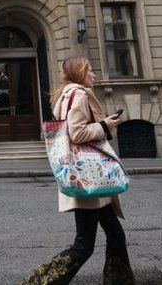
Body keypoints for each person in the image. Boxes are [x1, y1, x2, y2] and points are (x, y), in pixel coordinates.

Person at [21, 57, 136, 285]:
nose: (93, 75)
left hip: (89, 179)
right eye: (89, 71)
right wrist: (104, 126)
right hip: (88, 177)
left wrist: (103, 123)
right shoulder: (80, 94)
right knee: (84, 246)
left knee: (114, 234)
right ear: (79, 73)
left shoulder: (66, 95)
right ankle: (38, 282)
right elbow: (77, 134)